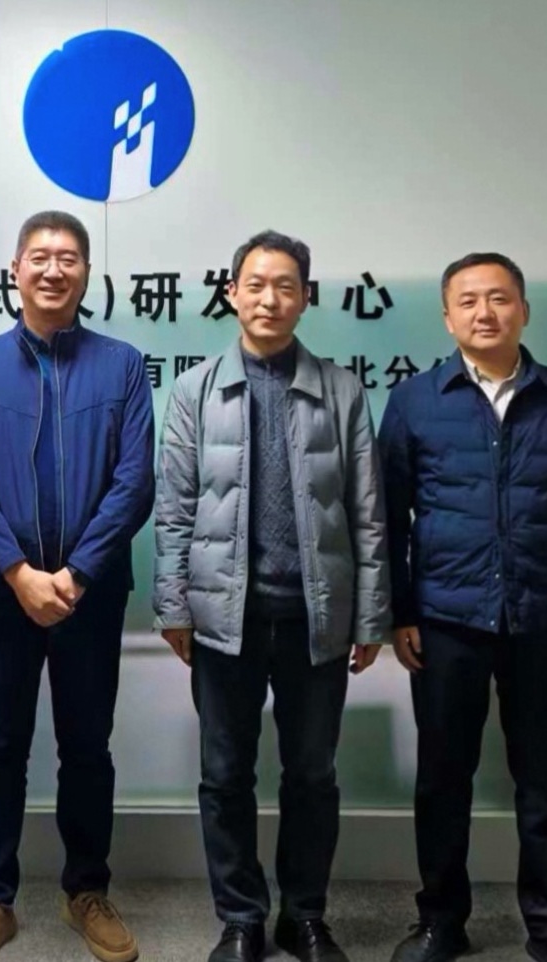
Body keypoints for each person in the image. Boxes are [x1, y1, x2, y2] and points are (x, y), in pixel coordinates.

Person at [153, 230, 390, 962]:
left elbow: (368, 512)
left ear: (305, 297)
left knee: (312, 775)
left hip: (316, 618)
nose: (269, 298)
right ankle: (240, 918)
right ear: (231, 293)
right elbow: (175, 508)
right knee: (224, 775)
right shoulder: (194, 389)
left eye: (285, 285)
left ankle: (304, 915)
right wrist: (174, 605)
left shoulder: (341, 390)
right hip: (225, 618)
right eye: (255, 284)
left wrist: (371, 617)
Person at [379, 252, 547, 962]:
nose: (485, 312)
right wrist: (399, 613)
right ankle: (440, 921)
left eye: (500, 298)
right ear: (447, 318)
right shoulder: (414, 401)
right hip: (445, 620)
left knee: (545, 782)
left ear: (524, 310)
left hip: (544, 619)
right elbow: (387, 522)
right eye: (469, 301)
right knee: (442, 780)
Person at [0, 210, 155, 962]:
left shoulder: (122, 365)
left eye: (68, 258)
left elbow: (133, 482)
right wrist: (18, 572)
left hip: (90, 592)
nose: (53, 269)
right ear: (15, 269)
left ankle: (86, 890)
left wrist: (78, 572)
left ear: (86, 273)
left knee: (87, 745)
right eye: (39, 256)